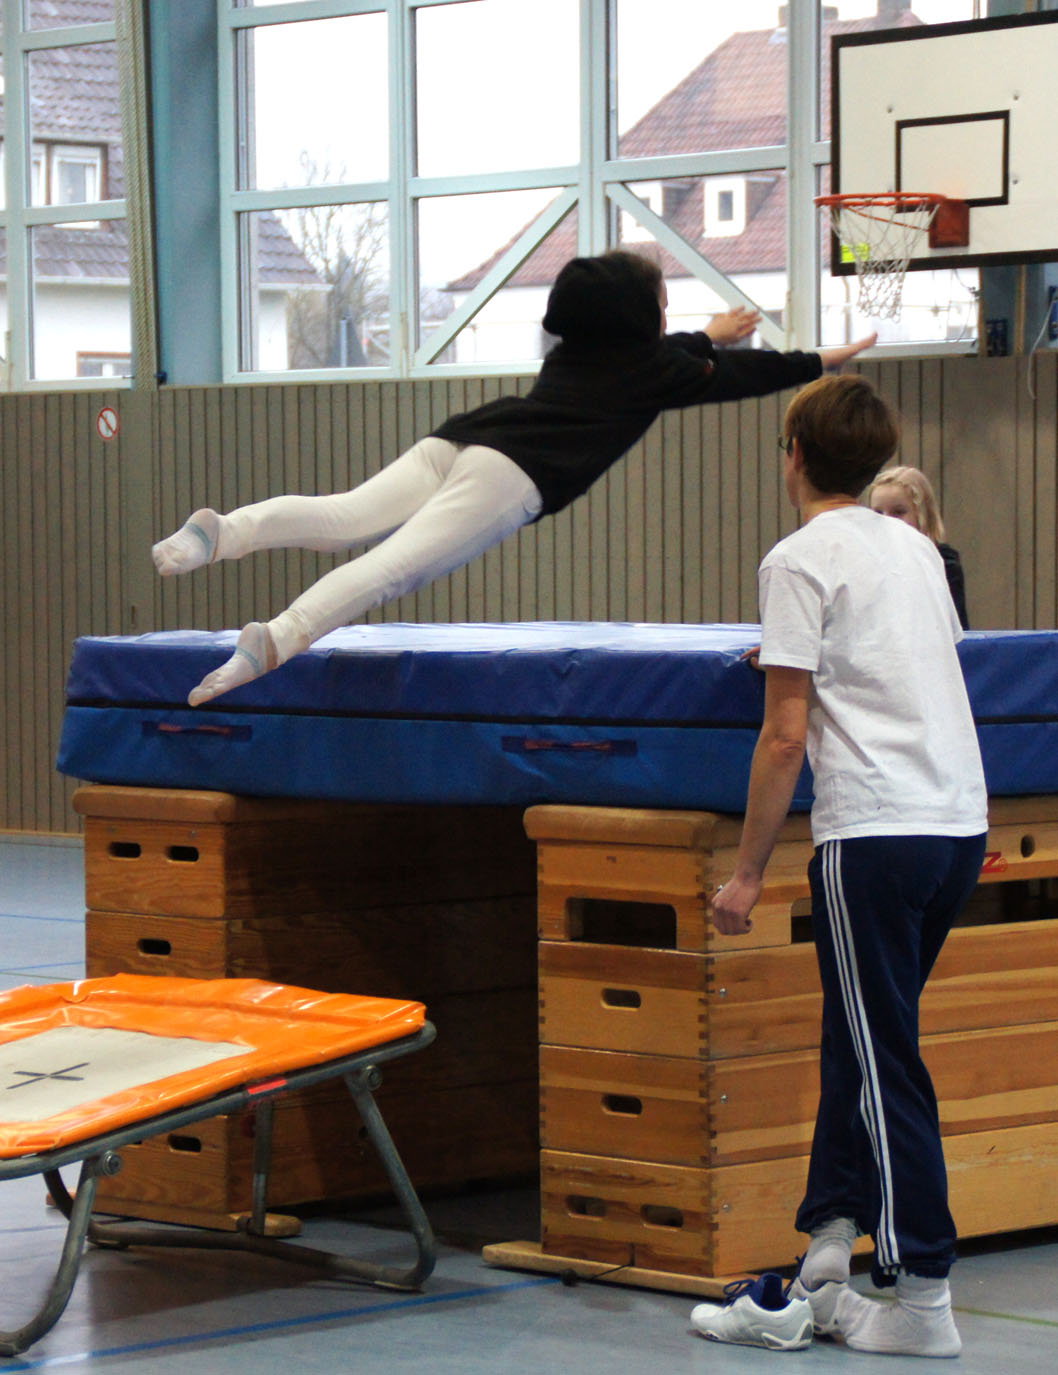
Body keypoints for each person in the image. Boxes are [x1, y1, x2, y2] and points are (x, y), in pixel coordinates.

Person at [152, 250, 875, 707]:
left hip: (466, 435)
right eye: (661, 304)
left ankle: (222, 533)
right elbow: (742, 374)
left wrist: (708, 337)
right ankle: (273, 642)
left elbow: (664, 357)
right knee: (389, 570)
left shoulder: (580, 352)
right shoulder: (653, 370)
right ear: (638, 318)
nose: (667, 316)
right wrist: (822, 360)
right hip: (515, 472)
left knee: (344, 517)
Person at [698, 374, 987, 1357]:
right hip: (955, 822)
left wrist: (746, 874)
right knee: (859, 1038)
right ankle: (824, 1252)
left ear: (792, 454)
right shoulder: (915, 548)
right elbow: (902, 662)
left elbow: (785, 737)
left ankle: (921, 1297)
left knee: (882, 1059)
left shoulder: (796, 558)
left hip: (874, 833)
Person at [868, 464, 969, 628]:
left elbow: (955, 630)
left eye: (898, 512)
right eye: (878, 513)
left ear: (922, 515)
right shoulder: (865, 563)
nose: (887, 520)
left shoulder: (943, 565)